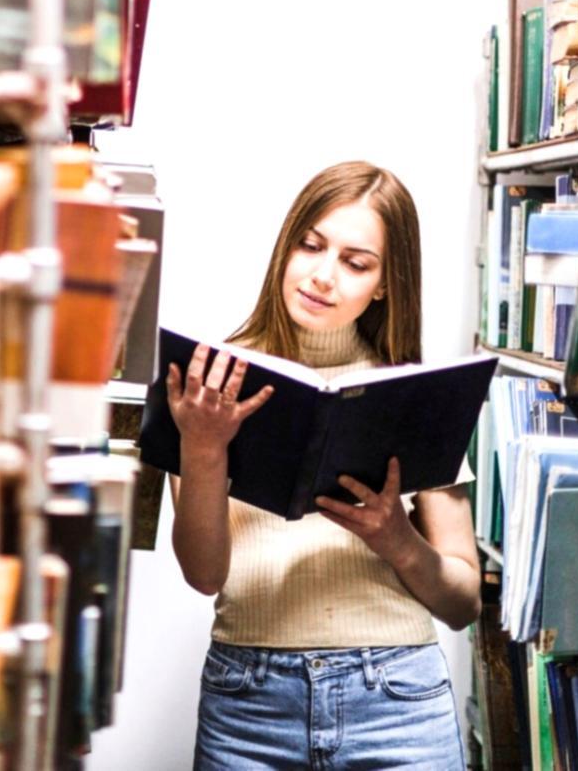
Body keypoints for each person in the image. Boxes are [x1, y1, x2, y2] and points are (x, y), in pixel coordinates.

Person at [167, 161, 480, 770]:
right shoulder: (210, 383)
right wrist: (204, 450)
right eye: (310, 246)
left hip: (398, 700)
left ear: (386, 284)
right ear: (287, 246)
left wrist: (397, 539)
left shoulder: (413, 396)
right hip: (249, 704)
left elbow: (464, 604)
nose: (321, 275)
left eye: (355, 262)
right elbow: (204, 575)